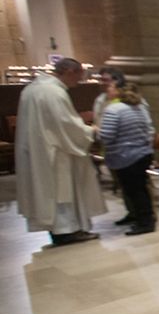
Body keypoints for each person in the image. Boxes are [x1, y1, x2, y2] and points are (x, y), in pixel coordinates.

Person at [16, 58, 106, 245]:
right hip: (56, 152)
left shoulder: (32, 89)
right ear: (69, 72)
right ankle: (68, 230)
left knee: (50, 192)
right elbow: (66, 124)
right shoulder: (54, 93)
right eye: (79, 76)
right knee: (61, 191)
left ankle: (59, 231)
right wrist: (90, 131)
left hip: (38, 150)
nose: (79, 81)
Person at [96, 81, 156, 235]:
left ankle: (145, 222)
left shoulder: (114, 110)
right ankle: (139, 216)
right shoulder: (140, 107)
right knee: (139, 189)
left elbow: (106, 136)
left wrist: (96, 131)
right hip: (142, 153)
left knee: (134, 190)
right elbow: (148, 129)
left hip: (125, 155)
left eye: (110, 86)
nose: (107, 88)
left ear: (118, 91)